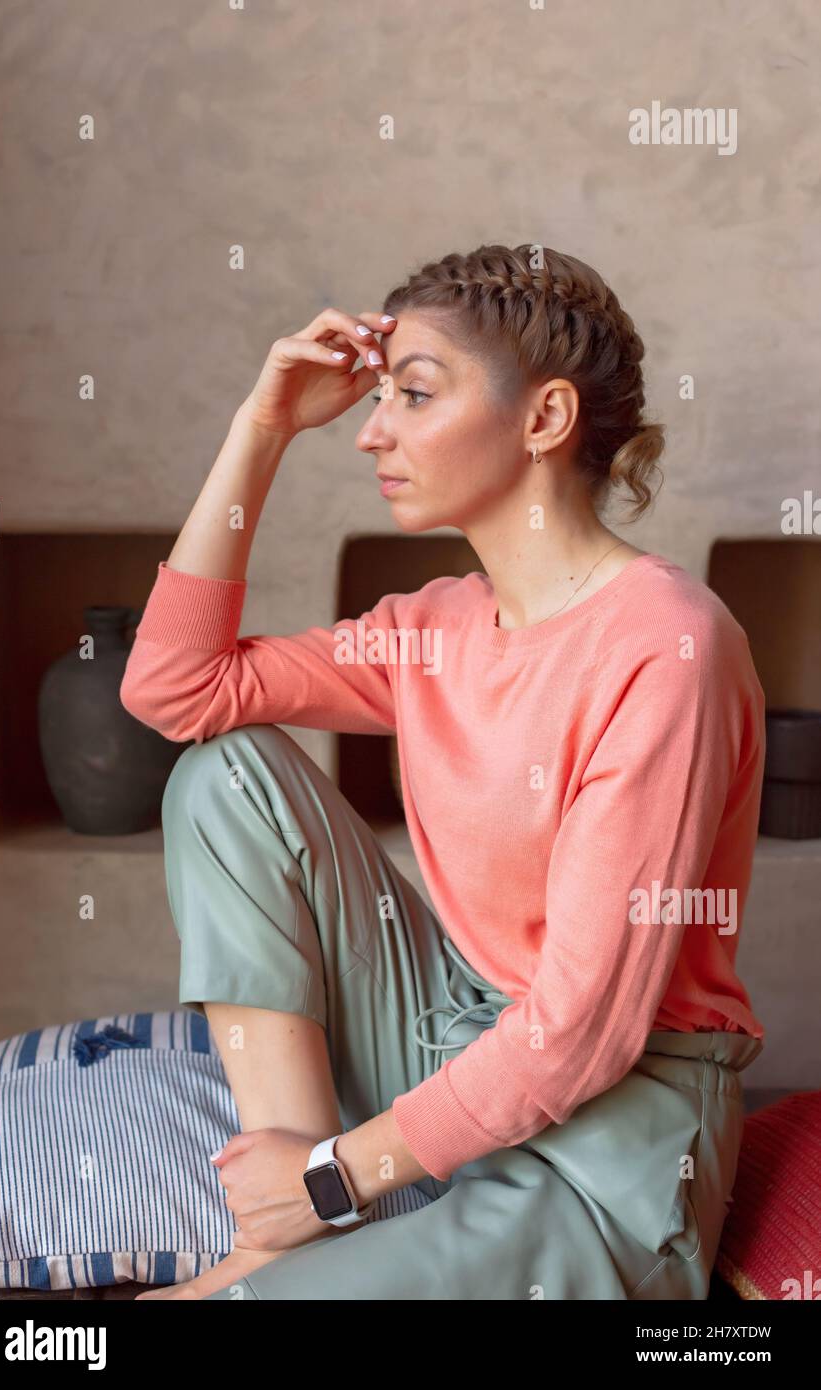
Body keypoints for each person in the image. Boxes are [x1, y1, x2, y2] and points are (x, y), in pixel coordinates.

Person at [120, 242, 765, 1301]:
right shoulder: (434, 629)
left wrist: (332, 1179)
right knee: (224, 769)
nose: (372, 431)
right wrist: (262, 427)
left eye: (412, 395)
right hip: (448, 1032)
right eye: (379, 399)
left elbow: (580, 1036)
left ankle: (305, 1213)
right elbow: (174, 691)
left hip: (613, 1128)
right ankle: (280, 1233)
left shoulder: (665, 645)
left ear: (544, 419)